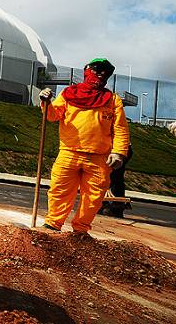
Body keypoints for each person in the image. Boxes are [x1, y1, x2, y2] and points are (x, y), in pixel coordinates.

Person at [39, 58, 130, 235]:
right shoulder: (68, 94)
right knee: (60, 190)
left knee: (94, 197)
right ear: (87, 70)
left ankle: (80, 230)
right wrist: (46, 102)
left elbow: (120, 129)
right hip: (69, 152)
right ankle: (53, 224)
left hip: (99, 157)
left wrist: (119, 152)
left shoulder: (112, 100)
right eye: (97, 70)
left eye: (106, 72)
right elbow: (52, 116)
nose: (101, 74)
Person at [99, 144, 133, 218]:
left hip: (117, 149)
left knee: (114, 174)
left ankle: (111, 207)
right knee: (117, 177)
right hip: (118, 148)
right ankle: (115, 208)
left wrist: (107, 185)